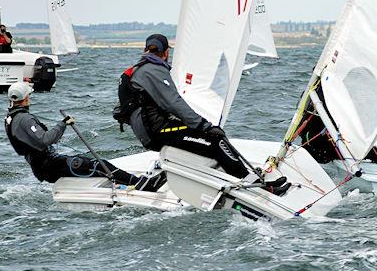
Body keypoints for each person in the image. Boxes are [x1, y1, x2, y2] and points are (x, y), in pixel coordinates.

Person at [122, 33, 290, 195]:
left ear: (146, 50)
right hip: (158, 132)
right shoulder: (154, 70)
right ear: (166, 52)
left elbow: (125, 110)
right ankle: (256, 186)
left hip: (152, 132)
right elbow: (175, 103)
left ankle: (249, 178)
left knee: (210, 136)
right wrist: (204, 125)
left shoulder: (137, 70)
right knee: (215, 139)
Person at [4, 81, 165, 191]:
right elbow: (46, 139)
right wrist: (63, 124)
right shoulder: (24, 119)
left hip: (44, 165)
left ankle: (128, 183)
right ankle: (142, 185)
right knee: (99, 165)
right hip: (48, 166)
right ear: (25, 98)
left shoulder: (11, 118)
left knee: (89, 162)